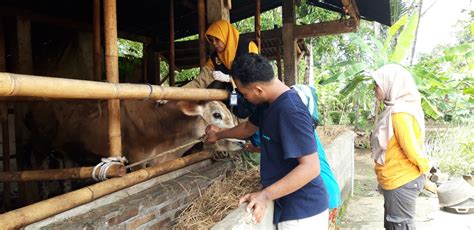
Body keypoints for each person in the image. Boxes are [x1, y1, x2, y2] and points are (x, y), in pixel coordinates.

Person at [205, 53, 329, 229]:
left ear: (258, 90)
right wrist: (219, 134)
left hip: (303, 212)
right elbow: (248, 128)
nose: (244, 97)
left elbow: (311, 167)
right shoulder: (267, 104)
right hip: (286, 204)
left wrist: (265, 195)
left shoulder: (290, 111)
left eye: (244, 93)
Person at [371, 64, 430, 230]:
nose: (375, 88)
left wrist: (425, 169)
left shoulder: (400, 114)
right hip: (395, 178)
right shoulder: (394, 110)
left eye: (377, 84)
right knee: (393, 224)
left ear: (391, 84)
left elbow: (411, 149)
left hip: (402, 179)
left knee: (399, 224)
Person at [183, 19, 258, 89]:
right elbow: (201, 80)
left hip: (251, 98)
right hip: (229, 98)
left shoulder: (248, 47)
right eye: (211, 40)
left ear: (226, 36)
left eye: (217, 39)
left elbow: (253, 75)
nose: (214, 43)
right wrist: (179, 92)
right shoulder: (214, 58)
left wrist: (229, 78)